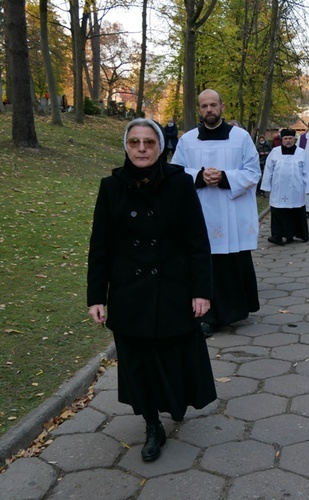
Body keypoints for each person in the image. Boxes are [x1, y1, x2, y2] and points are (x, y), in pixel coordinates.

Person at [87, 118, 216, 463]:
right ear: (126, 147)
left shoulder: (180, 183)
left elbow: (197, 241)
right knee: (140, 363)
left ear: (161, 146)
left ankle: (175, 404)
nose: (141, 149)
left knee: (173, 357)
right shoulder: (110, 187)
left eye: (148, 142)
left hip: (173, 288)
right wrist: (97, 297)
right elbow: (100, 245)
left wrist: (201, 290)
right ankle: (151, 425)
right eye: (134, 143)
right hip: (131, 292)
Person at [170, 89, 261, 337]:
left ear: (222, 106)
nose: (209, 110)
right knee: (203, 262)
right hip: (199, 211)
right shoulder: (187, 140)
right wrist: (199, 175)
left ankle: (232, 311)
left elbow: (253, 172)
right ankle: (206, 316)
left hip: (232, 211)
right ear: (199, 110)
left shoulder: (241, 137)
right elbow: (175, 173)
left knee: (229, 263)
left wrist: (225, 177)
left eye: (213, 105)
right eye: (204, 106)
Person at [261, 129, 309, 245]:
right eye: (285, 139)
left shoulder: (301, 153)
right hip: (278, 188)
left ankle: (296, 234)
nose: (288, 141)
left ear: (294, 139)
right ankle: (277, 236)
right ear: (282, 140)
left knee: (294, 211)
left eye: (290, 138)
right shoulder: (275, 152)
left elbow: (307, 171)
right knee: (278, 211)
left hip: (296, 188)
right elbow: (268, 169)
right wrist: (266, 186)